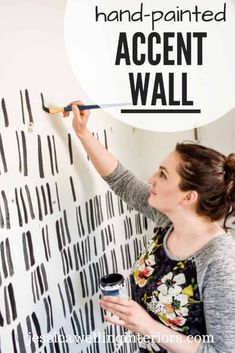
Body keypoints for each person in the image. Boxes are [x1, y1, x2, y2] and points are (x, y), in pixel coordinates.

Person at [64, 102, 235, 353]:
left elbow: (223, 351)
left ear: (188, 197)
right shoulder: (169, 221)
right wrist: (82, 133)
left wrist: (147, 326)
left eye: (163, 175)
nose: (151, 179)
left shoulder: (220, 261)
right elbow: (121, 180)